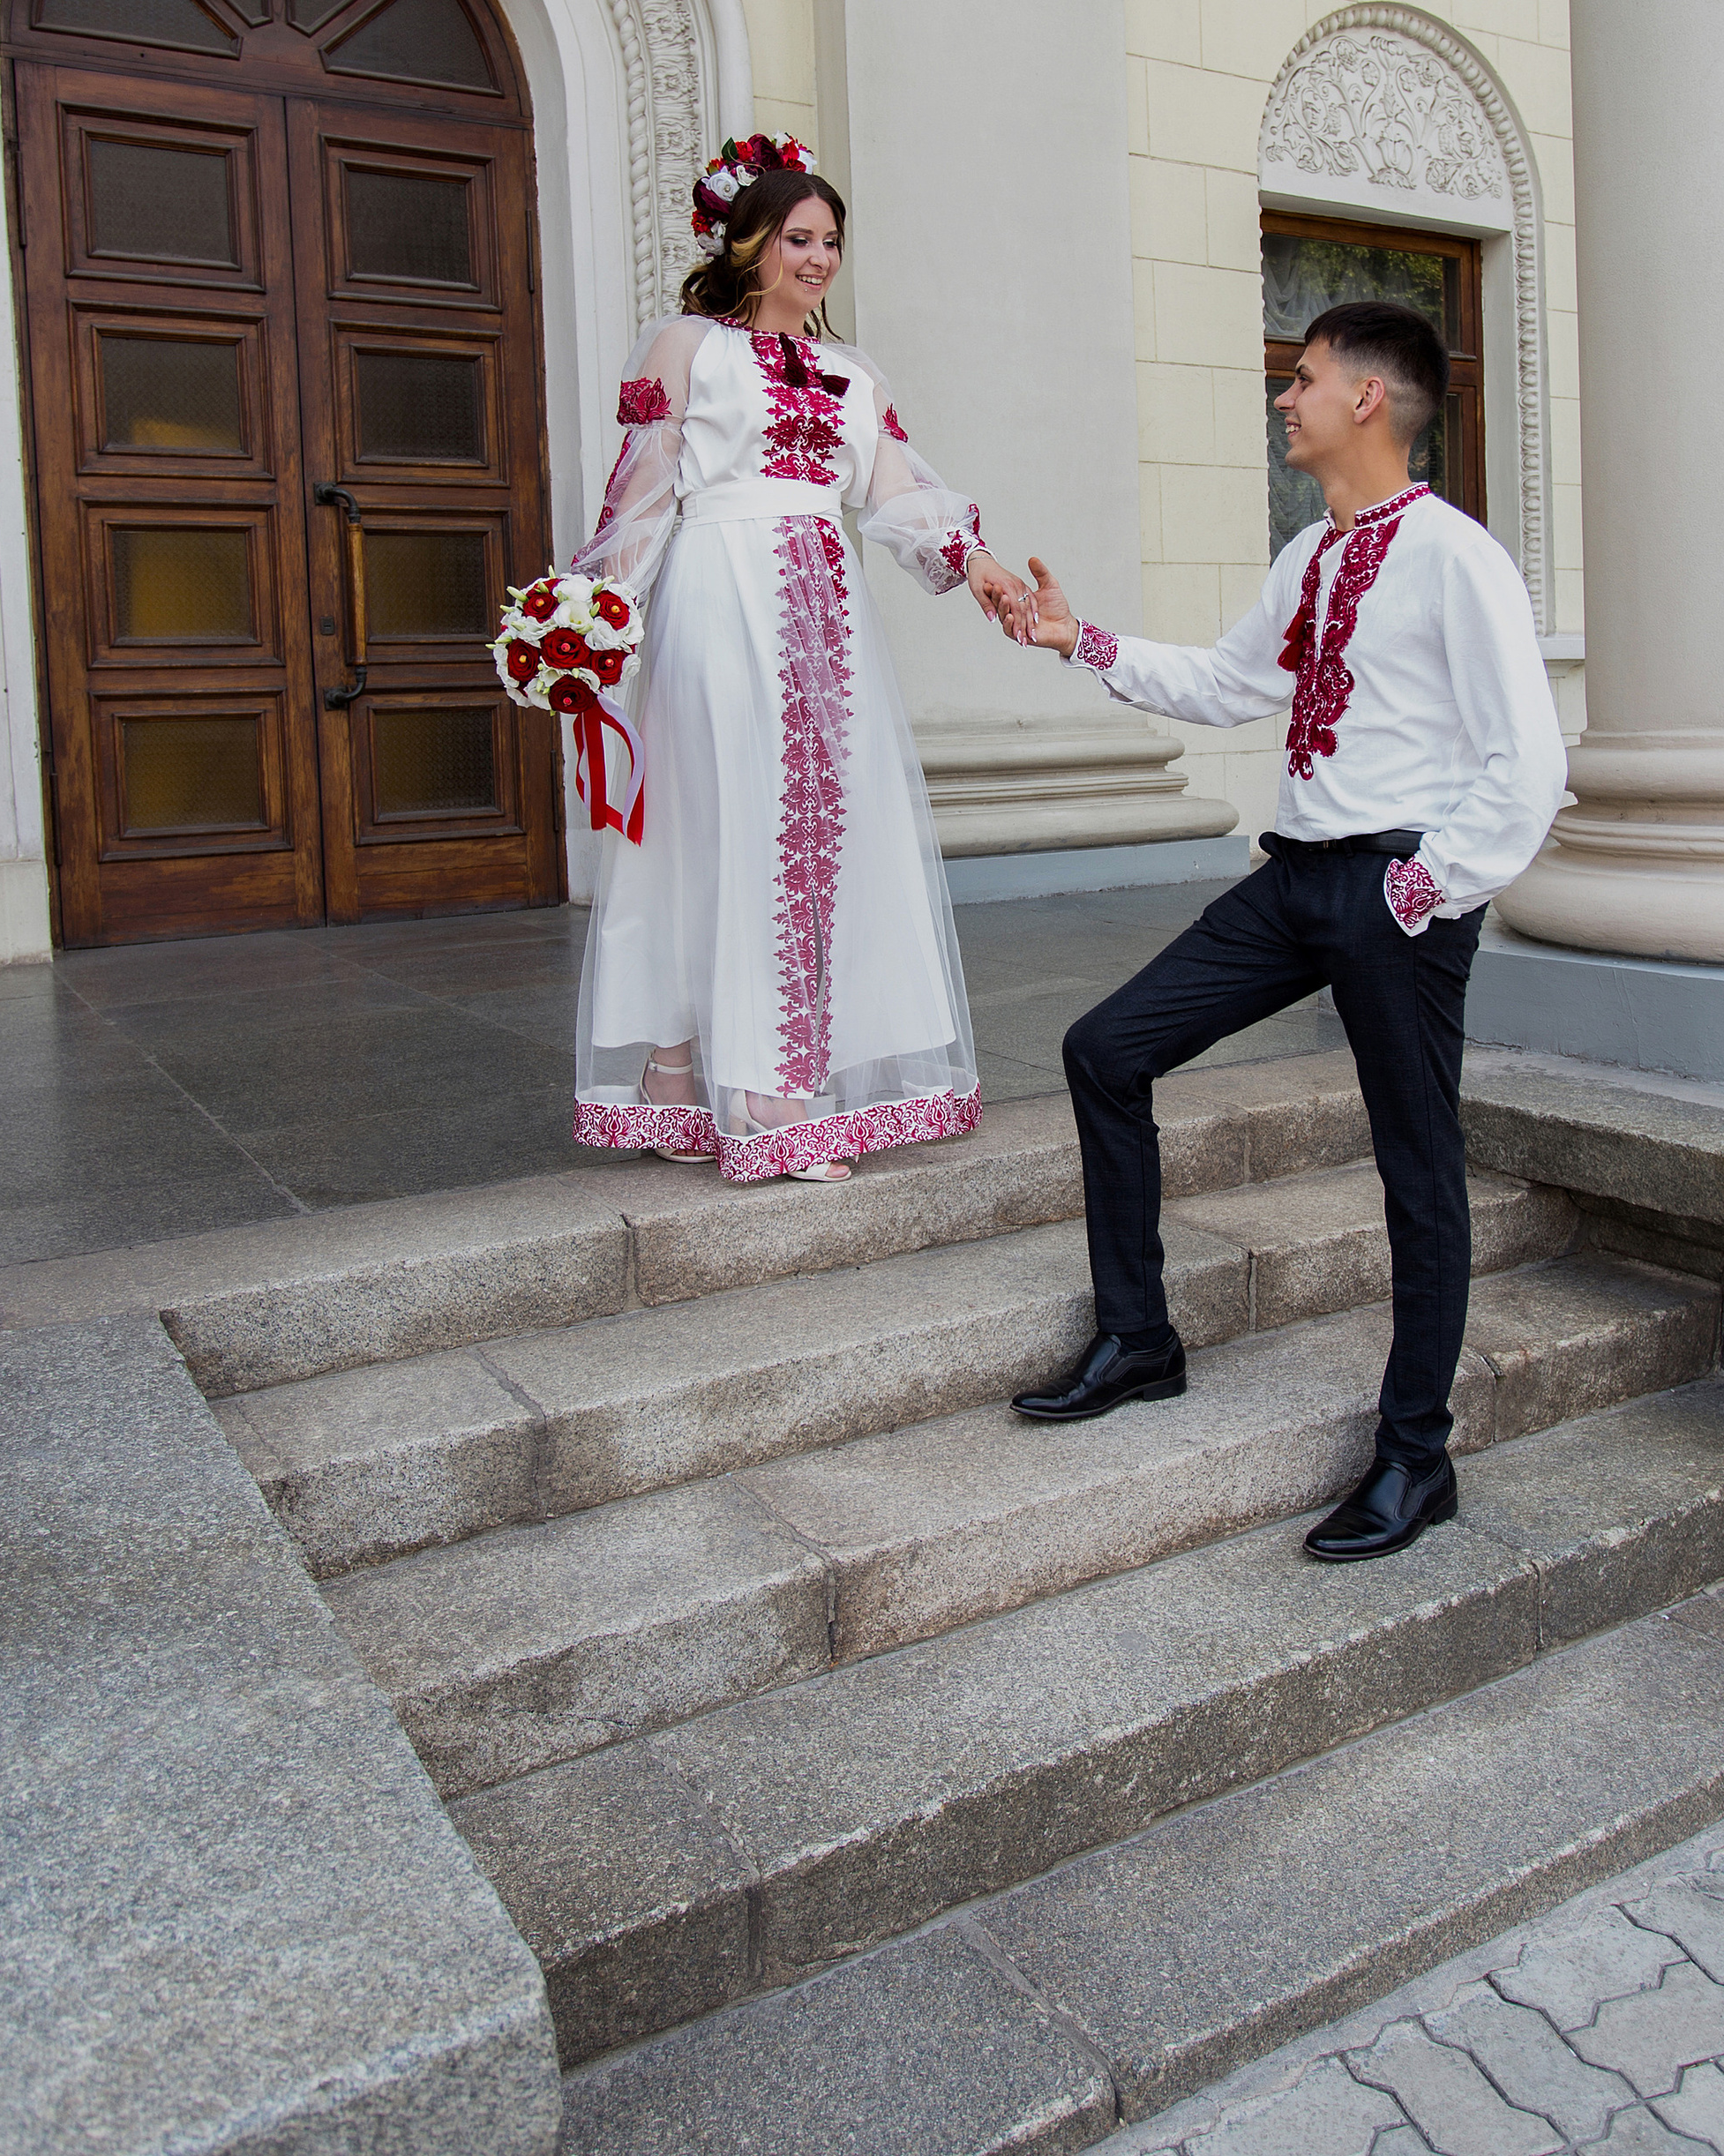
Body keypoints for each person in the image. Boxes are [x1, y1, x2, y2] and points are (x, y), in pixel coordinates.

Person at [1000, 297, 1568, 1556]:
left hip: (1393, 893)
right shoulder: (1310, 556)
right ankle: (1141, 1339)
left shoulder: (1455, 556)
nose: (1285, 398)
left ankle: (1417, 1459)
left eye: (1302, 378)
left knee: (1417, 1175)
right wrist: (1077, 639)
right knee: (1106, 1048)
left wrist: (1421, 891)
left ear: (1367, 398)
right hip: (1295, 882)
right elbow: (1227, 682)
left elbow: (1528, 761)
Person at [569, 136, 1029, 1183]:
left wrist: (984, 566)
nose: (818, 258)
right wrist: (597, 615)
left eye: (830, 240)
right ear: (747, 245)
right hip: (717, 596)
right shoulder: (687, 345)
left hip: (826, 604)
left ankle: (683, 1069)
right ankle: (769, 1100)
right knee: (726, 817)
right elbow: (643, 492)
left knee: (823, 823)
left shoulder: (852, 371)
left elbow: (900, 491)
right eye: (798, 238)